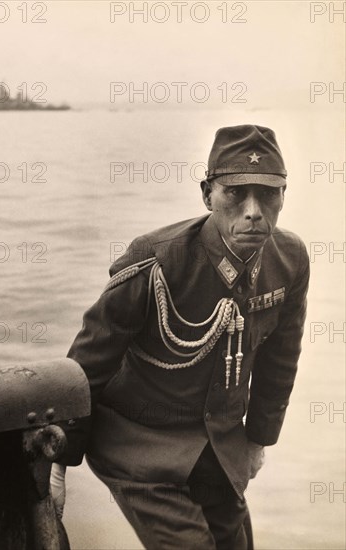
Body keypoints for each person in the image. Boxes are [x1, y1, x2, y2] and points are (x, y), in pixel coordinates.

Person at [51, 125, 310, 549]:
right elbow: (89, 360)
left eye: (268, 194)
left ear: (284, 195)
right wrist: (60, 463)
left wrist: (258, 440)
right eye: (235, 193)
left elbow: (281, 358)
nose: (253, 211)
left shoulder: (290, 259)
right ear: (207, 194)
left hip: (217, 445)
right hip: (139, 442)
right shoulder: (155, 261)